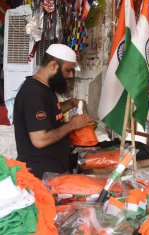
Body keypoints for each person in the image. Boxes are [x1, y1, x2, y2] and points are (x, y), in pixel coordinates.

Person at [13, 44, 95, 179]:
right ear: (53, 65)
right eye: (68, 70)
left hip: (52, 170)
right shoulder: (33, 93)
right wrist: (72, 125)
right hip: (40, 174)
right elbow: (40, 139)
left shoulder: (45, 88)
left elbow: (50, 111)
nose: (71, 75)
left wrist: (71, 103)